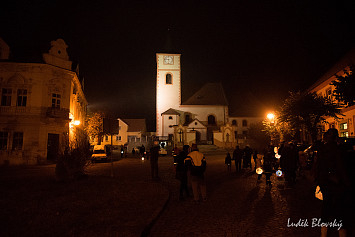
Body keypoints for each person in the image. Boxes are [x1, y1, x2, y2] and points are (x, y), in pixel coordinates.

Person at [315, 129, 350, 237]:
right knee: (340, 209)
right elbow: (341, 167)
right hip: (336, 183)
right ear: (336, 137)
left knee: (326, 207)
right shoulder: (338, 150)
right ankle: (342, 232)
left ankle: (324, 233)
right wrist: (347, 182)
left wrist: (319, 181)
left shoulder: (322, 150)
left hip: (325, 182)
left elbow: (318, 167)